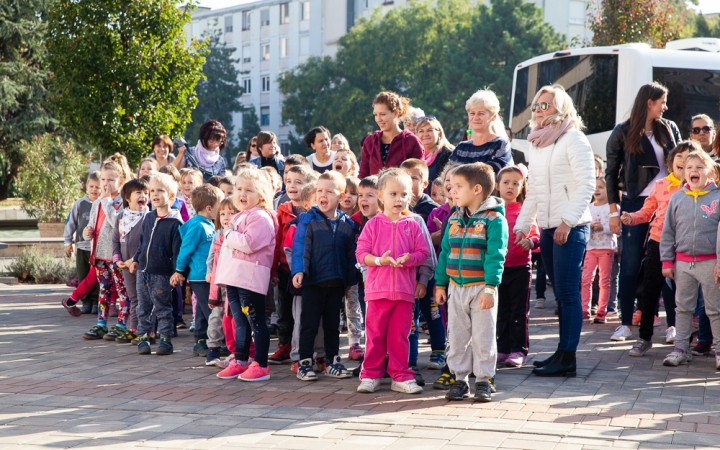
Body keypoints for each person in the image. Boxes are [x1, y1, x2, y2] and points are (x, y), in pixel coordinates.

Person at [515, 84, 595, 377]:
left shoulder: (574, 138)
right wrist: (522, 226)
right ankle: (561, 353)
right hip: (548, 229)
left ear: (560, 108)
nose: (537, 110)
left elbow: (587, 184)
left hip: (569, 228)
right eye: (536, 105)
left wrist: (567, 221)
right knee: (559, 296)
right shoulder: (536, 143)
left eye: (544, 105)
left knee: (567, 292)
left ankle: (568, 358)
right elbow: (533, 191)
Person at [606, 82, 681, 341]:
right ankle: (625, 323)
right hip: (634, 203)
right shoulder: (622, 131)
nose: (666, 106)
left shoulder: (669, 129)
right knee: (629, 264)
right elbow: (610, 173)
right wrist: (613, 212)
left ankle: (673, 324)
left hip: (668, 203)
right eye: (662, 101)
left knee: (669, 263)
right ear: (649, 102)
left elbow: (681, 160)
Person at [436, 162, 508, 402]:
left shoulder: (494, 219)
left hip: (482, 289)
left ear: (477, 189)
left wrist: (490, 287)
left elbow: (495, 256)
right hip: (456, 287)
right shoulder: (454, 218)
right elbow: (445, 252)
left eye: (458, 186)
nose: (452, 191)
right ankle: (459, 379)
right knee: (456, 334)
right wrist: (440, 284)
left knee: (483, 335)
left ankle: (484, 380)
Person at [355, 168, 429, 394]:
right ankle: (370, 375)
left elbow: (423, 252)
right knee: (375, 336)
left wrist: (410, 259)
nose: (399, 199)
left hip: (404, 294)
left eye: (404, 194)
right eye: (393, 194)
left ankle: (401, 376)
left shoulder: (413, 224)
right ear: (381, 195)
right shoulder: (373, 225)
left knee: (400, 337)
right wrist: (379, 260)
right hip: (378, 292)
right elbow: (361, 255)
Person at [623, 142, 695, 355]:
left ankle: (683, 340)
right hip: (657, 242)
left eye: (688, 157)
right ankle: (644, 338)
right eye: (678, 156)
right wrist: (631, 218)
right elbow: (646, 212)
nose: (682, 160)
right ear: (671, 161)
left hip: (686, 245)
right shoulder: (661, 184)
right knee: (650, 291)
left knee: (685, 294)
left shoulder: (699, 187)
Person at [292, 171, 357, 381]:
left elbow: (350, 254)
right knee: (309, 324)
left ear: (341, 195)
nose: (323, 195)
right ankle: (304, 363)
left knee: (332, 326)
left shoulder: (347, 224)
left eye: (329, 191)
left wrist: (349, 280)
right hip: (313, 282)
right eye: (320, 190)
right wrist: (299, 270)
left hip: (336, 283)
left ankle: (332, 361)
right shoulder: (308, 220)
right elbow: (301, 246)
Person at [660, 150, 720, 370]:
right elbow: (668, 232)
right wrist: (666, 261)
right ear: (683, 173)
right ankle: (680, 348)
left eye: (699, 167)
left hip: (711, 264)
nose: (694, 171)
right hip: (683, 264)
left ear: (710, 172)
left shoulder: (718, 197)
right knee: (682, 308)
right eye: (689, 168)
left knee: (714, 309)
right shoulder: (676, 198)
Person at [214, 169, 277, 381]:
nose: (242, 193)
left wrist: (229, 233)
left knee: (256, 320)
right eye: (239, 189)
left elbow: (249, 243)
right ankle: (240, 359)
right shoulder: (240, 214)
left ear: (261, 195)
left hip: (249, 278)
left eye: (249, 190)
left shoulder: (260, 217)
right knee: (240, 320)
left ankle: (261, 363)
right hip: (234, 277)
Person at [267, 165, 317, 365]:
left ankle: (306, 348)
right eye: (288, 181)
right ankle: (284, 345)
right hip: (285, 270)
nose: (292, 185)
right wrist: (273, 269)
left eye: (299, 181)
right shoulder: (282, 210)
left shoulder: (313, 211)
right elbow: (277, 240)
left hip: (306, 272)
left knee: (305, 312)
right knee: (284, 310)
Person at [129, 173, 183, 356]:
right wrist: (136, 259)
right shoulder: (149, 217)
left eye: (160, 190)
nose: (155, 194)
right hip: (143, 271)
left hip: (162, 273)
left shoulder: (175, 222)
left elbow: (178, 251)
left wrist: (178, 271)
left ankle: (166, 339)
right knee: (142, 307)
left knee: (162, 307)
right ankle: (143, 337)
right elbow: (143, 242)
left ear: (172, 196)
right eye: (152, 190)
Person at [171, 184, 224, 358]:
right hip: (200, 277)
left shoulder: (208, 223)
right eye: (220, 205)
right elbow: (185, 250)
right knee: (211, 311)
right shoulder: (197, 226)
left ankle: (200, 341)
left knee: (202, 311)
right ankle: (212, 342)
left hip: (209, 276)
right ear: (209, 208)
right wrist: (179, 271)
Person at [81, 160, 130, 340]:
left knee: (122, 290)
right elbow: (92, 226)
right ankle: (101, 323)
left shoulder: (122, 202)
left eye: (110, 179)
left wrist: (108, 202)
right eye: (103, 179)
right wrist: (87, 232)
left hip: (115, 256)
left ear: (121, 181)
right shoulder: (97, 203)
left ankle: (121, 324)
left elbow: (116, 223)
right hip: (100, 255)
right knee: (104, 289)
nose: (105, 184)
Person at [496, 165, 538, 368]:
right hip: (497, 269)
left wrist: (530, 242)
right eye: (506, 182)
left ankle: (518, 350)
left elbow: (536, 236)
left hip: (520, 267)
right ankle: (502, 349)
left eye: (515, 183)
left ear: (522, 188)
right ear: (497, 185)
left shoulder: (524, 211)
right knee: (500, 311)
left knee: (518, 311)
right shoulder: (491, 211)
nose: (510, 187)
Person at [111, 178, 150, 344]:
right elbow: (115, 240)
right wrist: (118, 259)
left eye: (146, 193)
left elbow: (146, 243)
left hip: (143, 265)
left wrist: (133, 260)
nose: (143, 196)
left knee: (146, 298)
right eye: (139, 193)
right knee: (133, 298)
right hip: (126, 266)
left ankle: (148, 331)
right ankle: (134, 329)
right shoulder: (121, 217)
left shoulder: (148, 217)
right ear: (127, 197)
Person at [206, 198, 239, 368]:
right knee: (217, 315)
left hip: (233, 281)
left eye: (231, 213)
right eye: (223, 213)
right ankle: (213, 347)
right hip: (219, 283)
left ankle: (235, 349)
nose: (226, 217)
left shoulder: (238, 232)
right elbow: (211, 256)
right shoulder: (218, 233)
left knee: (233, 317)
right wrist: (209, 271)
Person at [62, 171, 101, 315]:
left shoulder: (103, 203)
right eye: (91, 186)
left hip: (97, 248)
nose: (94, 190)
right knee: (83, 274)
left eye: (97, 187)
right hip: (82, 246)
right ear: (86, 187)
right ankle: (86, 302)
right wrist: (68, 241)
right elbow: (70, 223)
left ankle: (96, 301)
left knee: (96, 276)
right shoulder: (80, 204)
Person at [359, 91, 424, 178]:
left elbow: (418, 178)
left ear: (396, 113)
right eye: (375, 115)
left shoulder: (411, 141)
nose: (378, 119)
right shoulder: (370, 142)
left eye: (382, 114)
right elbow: (363, 177)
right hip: (373, 191)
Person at [580, 177, 617, 323]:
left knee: (604, 281)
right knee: (586, 279)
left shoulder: (613, 208)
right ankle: (584, 309)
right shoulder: (588, 207)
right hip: (590, 248)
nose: (597, 190)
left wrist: (604, 228)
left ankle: (602, 311)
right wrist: (588, 227)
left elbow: (617, 228)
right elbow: (582, 224)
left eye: (601, 187)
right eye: (595, 187)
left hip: (606, 248)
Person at [449, 90, 512, 174]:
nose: (475, 117)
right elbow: (447, 174)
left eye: (481, 113)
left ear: (493, 116)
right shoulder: (461, 147)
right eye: (472, 113)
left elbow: (488, 176)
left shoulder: (500, 144)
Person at [416, 116, 454, 194]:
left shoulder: (448, 154)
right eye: (421, 131)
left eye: (429, 130)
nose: (425, 134)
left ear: (439, 133)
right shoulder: (414, 154)